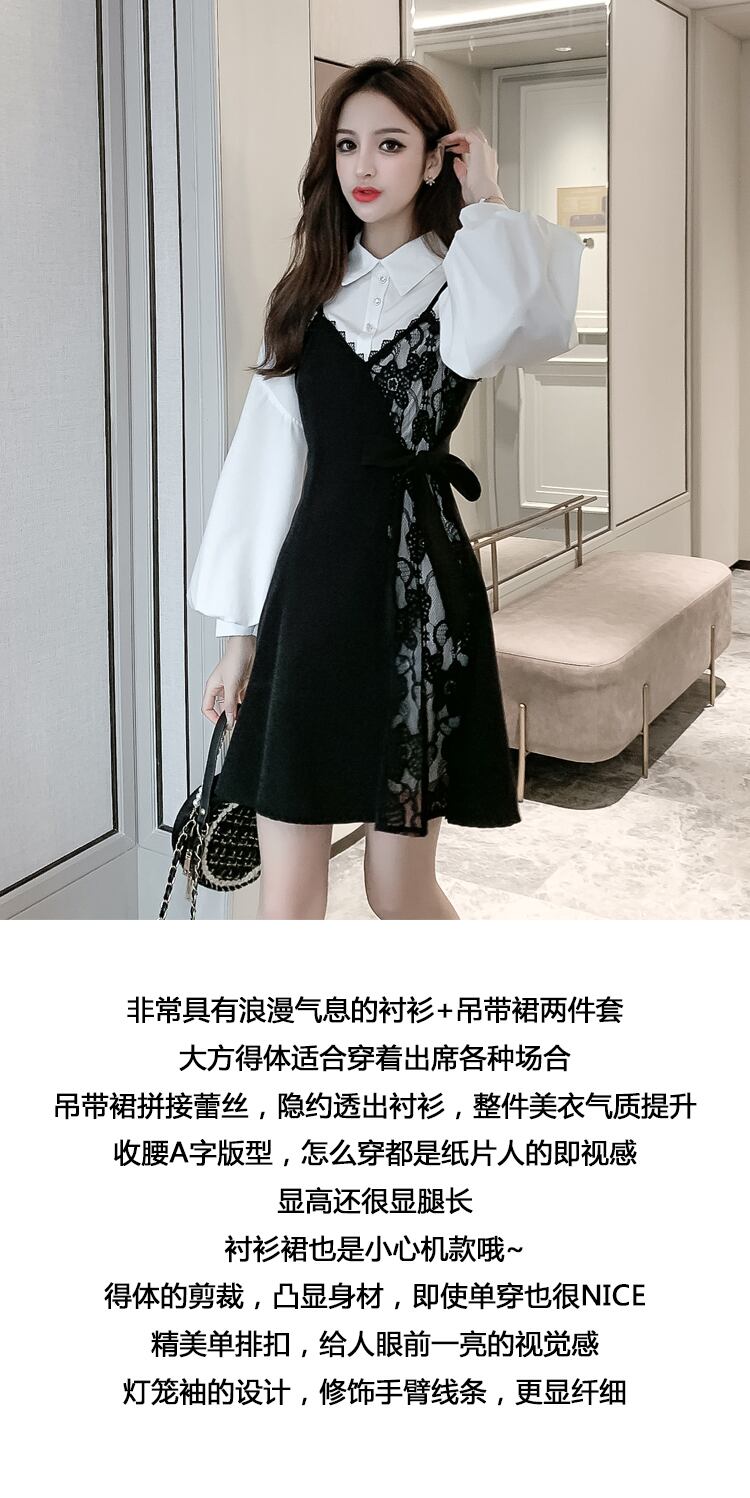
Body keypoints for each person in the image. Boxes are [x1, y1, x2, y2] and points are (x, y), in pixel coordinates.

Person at [187, 57, 584, 921]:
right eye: (347, 145)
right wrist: (238, 634)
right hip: (314, 596)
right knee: (287, 893)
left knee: (396, 886)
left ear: (435, 158)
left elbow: (538, 322)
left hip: (421, 598)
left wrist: (487, 199)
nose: (363, 167)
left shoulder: (466, 281)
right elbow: (263, 466)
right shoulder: (306, 298)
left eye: (392, 144)